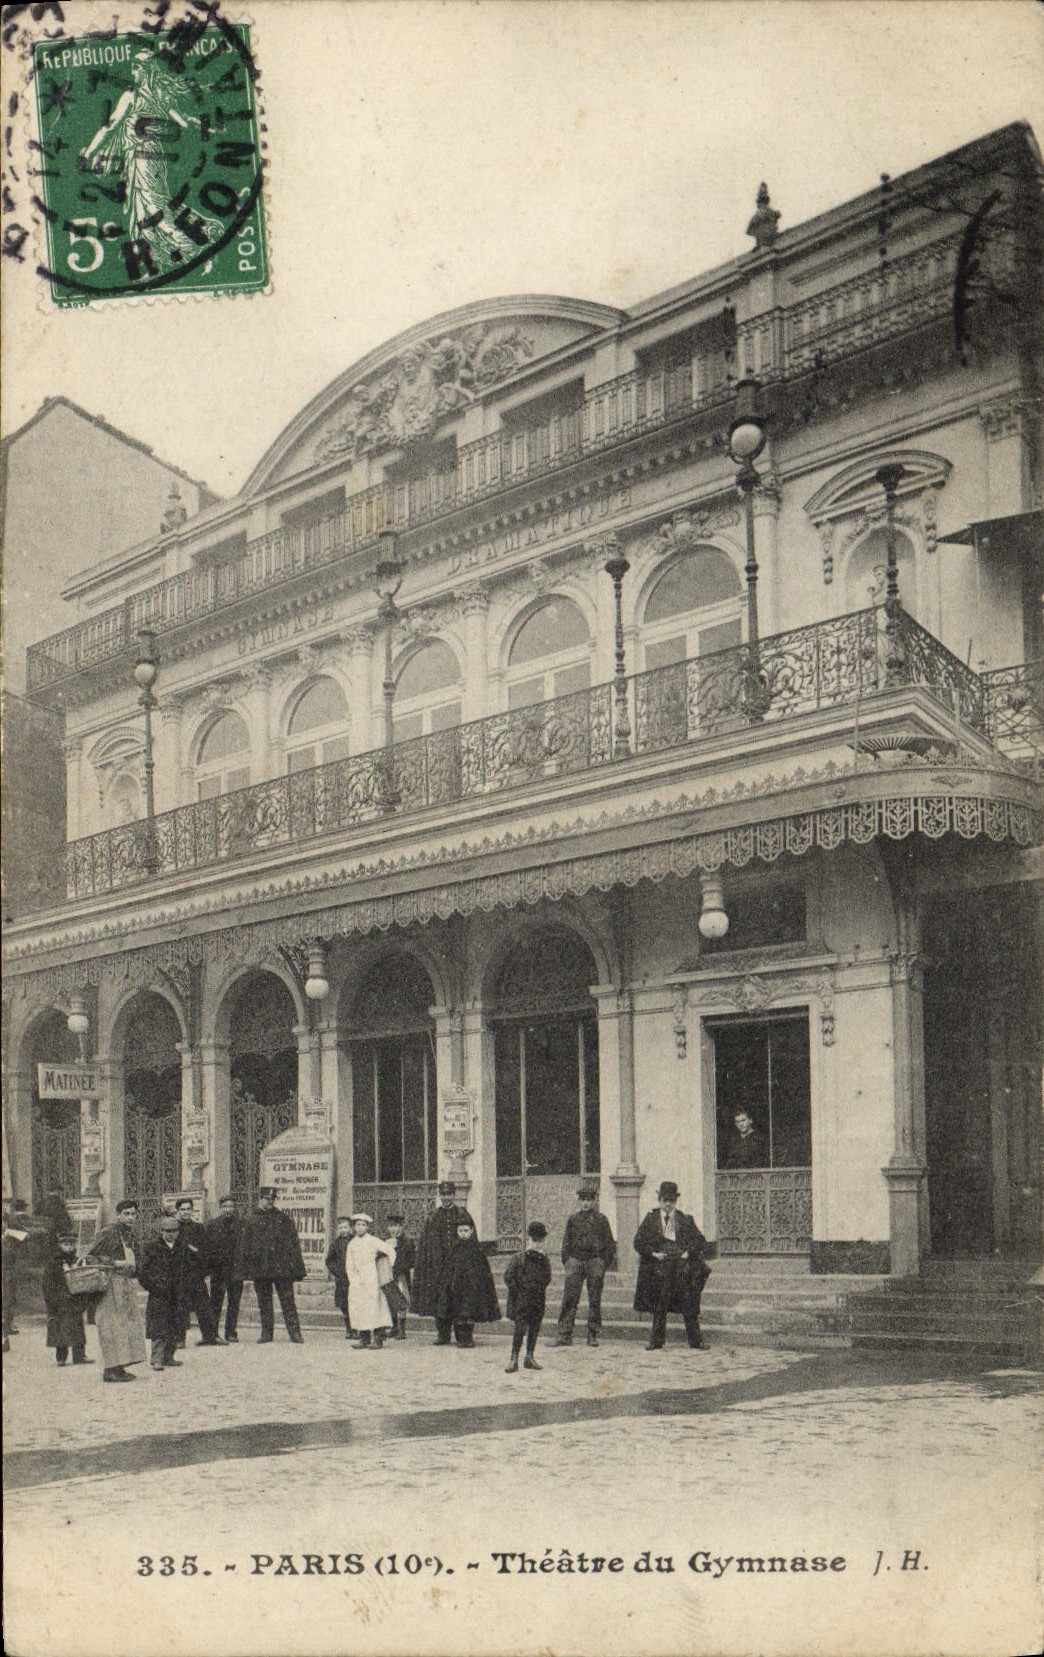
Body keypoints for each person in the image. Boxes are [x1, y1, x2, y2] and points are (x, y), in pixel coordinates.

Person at [633, 1181, 711, 1351]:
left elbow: (699, 1241)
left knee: (688, 1303)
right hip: (660, 1267)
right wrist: (653, 1254)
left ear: (675, 1201)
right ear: (659, 1200)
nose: (667, 1204)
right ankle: (656, 1341)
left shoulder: (684, 1219)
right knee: (660, 1304)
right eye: (664, 1200)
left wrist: (687, 1253)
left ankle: (696, 1341)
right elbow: (638, 1242)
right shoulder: (651, 1219)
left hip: (680, 1267)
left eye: (671, 1200)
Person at [235, 1186, 306, 1344]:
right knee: (264, 1302)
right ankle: (267, 1334)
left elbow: (293, 1243)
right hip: (261, 1269)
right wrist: (246, 1269)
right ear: (259, 1199)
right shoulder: (250, 1219)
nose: (269, 1202)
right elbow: (244, 1246)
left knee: (288, 1301)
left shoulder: (283, 1219)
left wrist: (295, 1267)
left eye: (272, 1199)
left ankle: (295, 1333)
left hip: (282, 1269)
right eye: (266, 1199)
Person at [413, 1181, 479, 1346]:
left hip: (459, 1267)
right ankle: (443, 1335)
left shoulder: (462, 1214)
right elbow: (426, 1245)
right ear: (439, 1195)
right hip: (439, 1266)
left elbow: (472, 1240)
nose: (446, 1197)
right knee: (441, 1299)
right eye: (443, 1194)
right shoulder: (433, 1217)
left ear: (454, 1194)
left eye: (449, 1194)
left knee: (459, 1300)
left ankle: (463, 1337)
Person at [88, 1200, 147, 1381]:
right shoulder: (108, 1232)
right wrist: (116, 1263)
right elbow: (91, 1257)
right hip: (109, 1284)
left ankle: (120, 1367)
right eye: (126, 1214)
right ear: (118, 1215)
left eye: (133, 1214)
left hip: (125, 1283)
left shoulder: (128, 1233)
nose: (130, 1217)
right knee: (111, 1326)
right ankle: (110, 1369)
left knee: (125, 1326)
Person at [555, 1180, 617, 1348]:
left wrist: (602, 1263)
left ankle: (592, 1334)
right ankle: (565, 1334)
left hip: (594, 1262)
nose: (585, 1203)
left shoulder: (602, 1220)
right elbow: (566, 1242)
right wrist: (568, 1261)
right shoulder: (573, 1220)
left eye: (589, 1199)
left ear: (594, 1201)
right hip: (575, 1261)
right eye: (582, 1199)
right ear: (579, 1201)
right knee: (569, 1298)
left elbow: (610, 1244)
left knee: (594, 1299)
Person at [436, 1220, 501, 1348]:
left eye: (466, 1231)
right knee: (458, 1313)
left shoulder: (476, 1249)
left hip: (471, 1287)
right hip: (456, 1287)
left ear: (471, 1231)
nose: (463, 1234)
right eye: (460, 1231)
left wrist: (479, 1283)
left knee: (469, 1313)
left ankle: (468, 1338)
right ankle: (460, 1338)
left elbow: (482, 1269)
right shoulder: (454, 1249)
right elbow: (448, 1268)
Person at [138, 1214, 187, 1370]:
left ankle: (169, 1356)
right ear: (161, 1231)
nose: (170, 1234)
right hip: (159, 1295)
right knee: (158, 1327)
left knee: (175, 1324)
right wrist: (153, 1287)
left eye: (173, 1230)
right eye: (166, 1230)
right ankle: (157, 1359)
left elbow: (189, 1268)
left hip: (177, 1293)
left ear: (178, 1232)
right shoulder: (152, 1248)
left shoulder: (182, 1248)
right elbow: (143, 1272)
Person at [173, 1197, 222, 1346]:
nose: (186, 1212)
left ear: (192, 1210)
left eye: (188, 1209)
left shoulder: (199, 1228)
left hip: (196, 1273)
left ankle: (210, 1336)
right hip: (179, 1273)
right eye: (182, 1209)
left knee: (203, 1306)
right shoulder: (173, 1228)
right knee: (180, 1307)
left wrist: (196, 1252)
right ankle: (179, 1339)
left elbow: (206, 1249)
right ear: (178, 1211)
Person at [504, 1220, 552, 1372]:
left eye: (540, 1240)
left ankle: (529, 1356)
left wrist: (539, 1288)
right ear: (528, 1239)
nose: (537, 1243)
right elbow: (508, 1276)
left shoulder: (544, 1259)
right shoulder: (519, 1258)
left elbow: (547, 1277)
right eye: (534, 1240)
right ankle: (513, 1358)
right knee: (520, 1328)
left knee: (535, 1326)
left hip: (538, 1298)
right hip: (522, 1299)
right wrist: (518, 1291)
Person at [41, 1233, 92, 1367]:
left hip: (75, 1298)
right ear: (60, 1245)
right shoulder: (54, 1263)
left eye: (72, 1244)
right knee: (60, 1328)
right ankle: (61, 1357)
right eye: (66, 1244)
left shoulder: (77, 1261)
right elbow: (47, 1283)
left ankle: (79, 1355)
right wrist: (53, 1299)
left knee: (78, 1326)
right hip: (60, 1299)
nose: (70, 1247)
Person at [345, 1214, 395, 1350]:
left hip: (372, 1276)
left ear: (367, 1227)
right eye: (358, 1224)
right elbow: (349, 1264)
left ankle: (378, 1338)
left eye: (363, 1224)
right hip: (358, 1278)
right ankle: (364, 1338)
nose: (360, 1227)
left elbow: (390, 1251)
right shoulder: (352, 1244)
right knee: (360, 1307)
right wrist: (353, 1280)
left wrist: (387, 1268)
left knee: (375, 1306)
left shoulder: (373, 1241)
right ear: (354, 1227)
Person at [204, 1194, 244, 1342]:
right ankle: (213, 1333)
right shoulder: (211, 1225)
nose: (228, 1210)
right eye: (225, 1207)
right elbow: (206, 1248)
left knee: (234, 1302)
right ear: (220, 1208)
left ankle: (231, 1332)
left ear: (234, 1209)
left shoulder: (241, 1225)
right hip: (218, 1270)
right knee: (215, 1302)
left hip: (236, 1270)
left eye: (231, 1207)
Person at [2, 1201, 31, 1350]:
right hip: (7, 1270)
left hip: (8, 1271)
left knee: (8, 1300)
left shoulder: (9, 1234)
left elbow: (26, 1237)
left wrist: (11, 1233)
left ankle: (5, 1334)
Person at [382, 1214, 415, 1340]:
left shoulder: (407, 1242)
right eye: (390, 1226)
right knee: (391, 1301)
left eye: (396, 1226)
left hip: (401, 1275)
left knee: (401, 1301)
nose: (393, 1229)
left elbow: (410, 1260)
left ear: (401, 1227)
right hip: (388, 1274)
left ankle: (402, 1330)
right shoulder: (385, 1242)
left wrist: (398, 1269)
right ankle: (394, 1327)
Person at [325, 1215, 354, 1339]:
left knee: (355, 1303)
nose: (343, 1230)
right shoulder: (336, 1244)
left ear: (350, 1228)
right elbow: (329, 1261)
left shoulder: (355, 1241)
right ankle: (348, 1329)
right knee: (344, 1305)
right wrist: (337, 1271)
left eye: (345, 1227)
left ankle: (357, 1329)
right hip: (342, 1279)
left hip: (354, 1278)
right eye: (341, 1227)